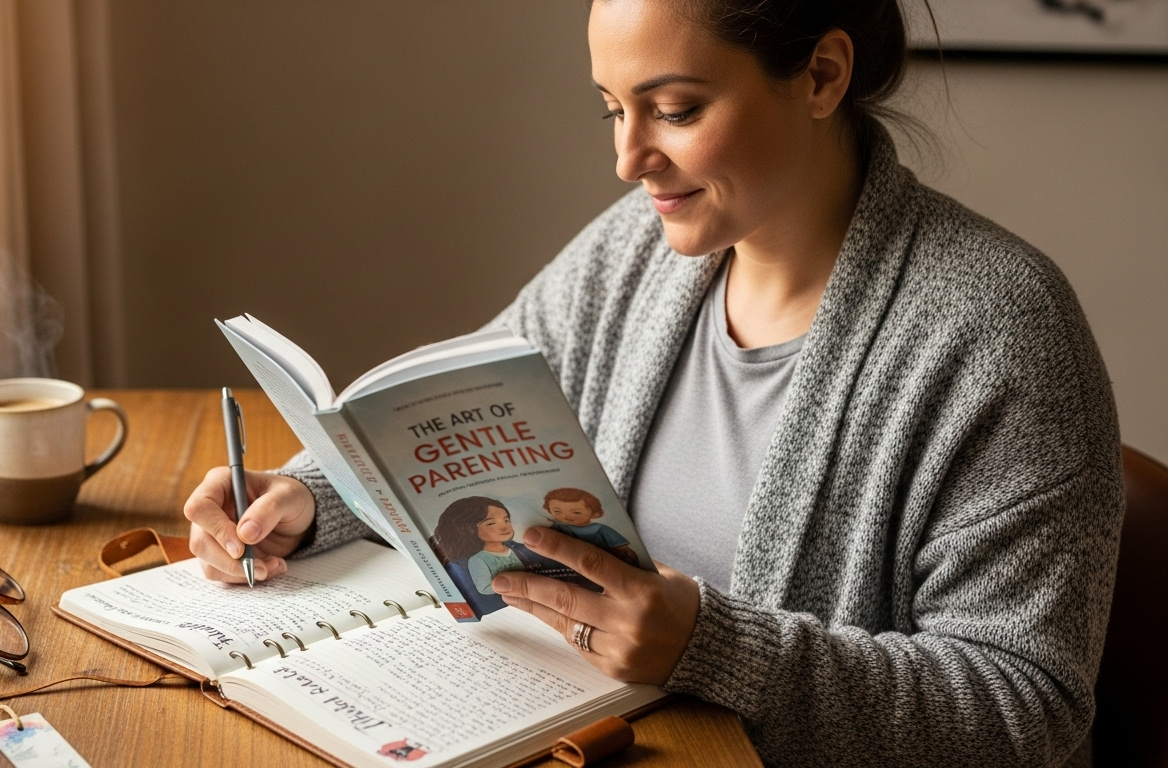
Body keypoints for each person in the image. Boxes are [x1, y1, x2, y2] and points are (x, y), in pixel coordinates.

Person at [182, 0, 1123, 764]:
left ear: (822, 76)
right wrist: (305, 498)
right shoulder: (634, 252)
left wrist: (715, 649)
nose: (629, 161)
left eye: (674, 110)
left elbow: (1026, 708)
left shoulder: (1000, 327)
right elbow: (436, 433)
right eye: (612, 109)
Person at [541, 487, 639, 567]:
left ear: (595, 513)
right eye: (557, 511)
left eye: (576, 512)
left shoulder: (600, 529)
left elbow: (621, 549)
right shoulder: (557, 526)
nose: (566, 516)